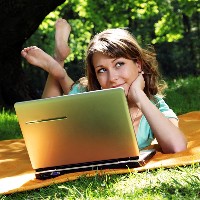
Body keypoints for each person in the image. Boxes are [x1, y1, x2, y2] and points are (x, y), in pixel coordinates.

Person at [21, 19, 187, 154]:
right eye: (102, 70)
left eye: (119, 64)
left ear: (138, 64)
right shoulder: (91, 95)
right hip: (84, 96)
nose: (112, 78)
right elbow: (45, 131)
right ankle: (58, 63)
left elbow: (176, 146)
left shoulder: (155, 105)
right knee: (53, 108)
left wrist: (139, 96)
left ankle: (59, 68)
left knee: (68, 84)